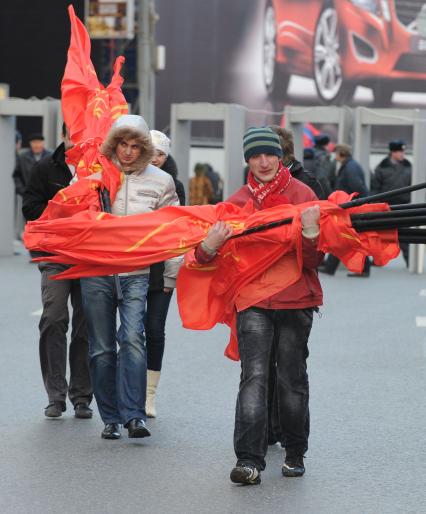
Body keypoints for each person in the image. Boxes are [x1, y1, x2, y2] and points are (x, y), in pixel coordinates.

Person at [195, 127, 323, 485]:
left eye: (269, 155)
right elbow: (203, 259)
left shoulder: (303, 194)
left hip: (296, 300)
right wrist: (209, 245)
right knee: (253, 377)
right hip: (251, 301)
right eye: (256, 156)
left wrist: (311, 234)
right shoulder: (236, 202)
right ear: (247, 160)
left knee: (290, 379)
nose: (263, 162)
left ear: (280, 157)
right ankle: (249, 460)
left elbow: (315, 260)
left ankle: (295, 451)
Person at [79, 115, 182, 440]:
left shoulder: (162, 181)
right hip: (97, 271)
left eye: (135, 145)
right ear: (114, 145)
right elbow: (69, 210)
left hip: (138, 271)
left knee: (133, 340)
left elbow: (172, 230)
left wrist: (170, 276)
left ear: (144, 148)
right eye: (122, 144)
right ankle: (110, 417)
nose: (127, 151)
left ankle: (134, 415)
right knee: (101, 347)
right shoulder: (95, 176)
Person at [22, 123, 92, 419]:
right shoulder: (44, 168)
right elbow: (29, 208)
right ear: (63, 135)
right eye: (74, 133)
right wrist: (63, 207)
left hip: (90, 254)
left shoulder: (100, 168)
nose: (79, 139)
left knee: (86, 323)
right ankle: (55, 394)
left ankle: (81, 396)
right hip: (55, 253)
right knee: (53, 318)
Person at [146, 130, 185, 418]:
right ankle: (131, 392)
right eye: (152, 152)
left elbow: (178, 235)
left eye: (161, 154)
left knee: (155, 330)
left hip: (161, 272)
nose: (156, 159)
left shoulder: (176, 186)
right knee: (131, 333)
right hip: (131, 269)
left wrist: (172, 275)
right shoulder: (126, 182)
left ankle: (149, 396)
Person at [319, 143, 370, 277]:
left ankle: (332, 267)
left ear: (341, 153)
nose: (334, 156)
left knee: (343, 236)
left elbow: (357, 187)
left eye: (336, 153)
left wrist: (350, 203)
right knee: (347, 237)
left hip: (351, 208)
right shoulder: (350, 165)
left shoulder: (349, 168)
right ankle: (361, 268)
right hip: (351, 207)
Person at [371, 139, 412, 265]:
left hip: (405, 205)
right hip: (386, 205)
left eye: (403, 151)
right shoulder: (381, 167)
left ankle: (410, 261)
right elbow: (375, 188)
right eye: (400, 152)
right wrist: (375, 205)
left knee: (405, 233)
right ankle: (378, 260)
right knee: (382, 234)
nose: (402, 154)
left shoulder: (408, 166)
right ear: (393, 152)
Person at [270, 125, 328, 200]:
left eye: (269, 154)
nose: (263, 162)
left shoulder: (308, 182)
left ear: (280, 155)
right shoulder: (257, 178)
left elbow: (319, 209)